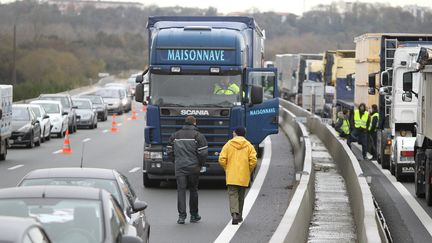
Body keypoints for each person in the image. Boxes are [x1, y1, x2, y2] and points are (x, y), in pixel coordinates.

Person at [167, 116, 208, 224]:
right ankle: (194, 215)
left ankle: (181, 217)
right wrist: (201, 164)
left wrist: (175, 161)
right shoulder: (198, 136)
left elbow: (169, 151)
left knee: (181, 190)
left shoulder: (175, 135)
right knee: (193, 190)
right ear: (194, 123)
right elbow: (203, 153)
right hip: (194, 167)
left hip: (179, 167)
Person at [218, 127, 257, 225]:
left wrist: (227, 168)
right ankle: (239, 216)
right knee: (241, 196)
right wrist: (248, 170)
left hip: (232, 175)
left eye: (233, 132)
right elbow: (253, 160)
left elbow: (221, 159)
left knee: (233, 194)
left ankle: (234, 213)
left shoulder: (228, 144)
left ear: (235, 133)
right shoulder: (249, 146)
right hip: (244, 175)